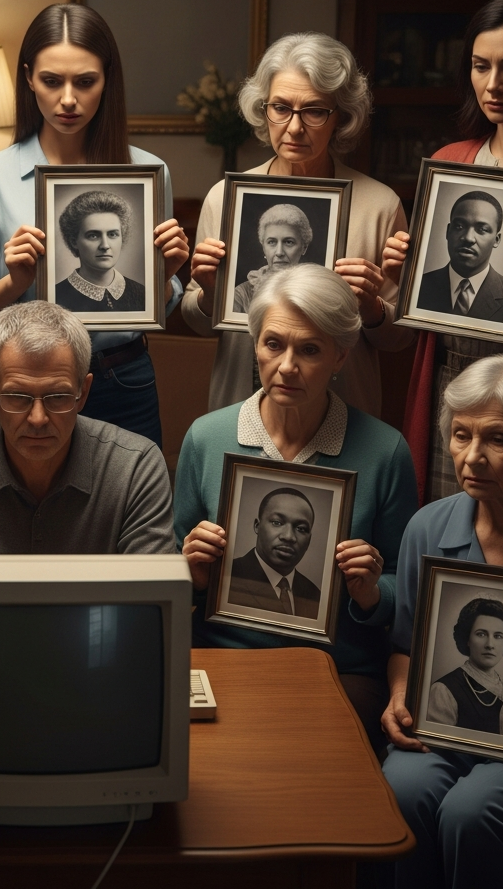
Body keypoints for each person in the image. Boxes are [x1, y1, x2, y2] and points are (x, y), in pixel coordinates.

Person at [175, 265, 417, 758]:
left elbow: (405, 590)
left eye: (309, 350)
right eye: (273, 344)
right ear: (255, 346)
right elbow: (169, 568)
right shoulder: (206, 437)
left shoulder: (385, 450)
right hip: (223, 655)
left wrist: (371, 592)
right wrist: (192, 573)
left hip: (336, 666)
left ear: (340, 356)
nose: (287, 366)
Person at [0, 3, 189, 446]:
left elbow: (157, 304)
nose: (67, 99)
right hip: (27, 384)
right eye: (51, 81)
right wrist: (13, 283)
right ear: (28, 78)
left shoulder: (148, 173)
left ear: (107, 79)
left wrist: (165, 275)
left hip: (123, 377)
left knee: (132, 491)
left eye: (84, 81)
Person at [381, 353, 503, 889]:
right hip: (440, 737)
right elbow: (406, 645)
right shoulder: (427, 527)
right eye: (461, 435)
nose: (472, 456)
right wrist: (400, 694)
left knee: (471, 812)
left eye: (498, 439)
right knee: (402, 789)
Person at [181, 31, 414, 417]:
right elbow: (199, 323)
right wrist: (209, 294)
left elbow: (400, 339)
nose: (293, 127)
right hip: (240, 403)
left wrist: (372, 308)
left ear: (341, 116)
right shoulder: (225, 198)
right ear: (264, 108)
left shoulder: (379, 205)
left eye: (314, 111)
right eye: (281, 107)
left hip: (344, 410)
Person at [385, 0, 503, 502]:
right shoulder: (450, 161)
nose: (493, 84)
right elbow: (416, 313)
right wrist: (404, 273)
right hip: (448, 379)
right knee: (442, 524)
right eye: (481, 66)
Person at [0, 300, 175, 556]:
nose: (38, 419)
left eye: (57, 397)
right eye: (18, 397)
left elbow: (150, 590)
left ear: (83, 392)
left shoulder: (136, 466)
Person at [426, 597, 503, 736]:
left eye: (498, 636)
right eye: (481, 634)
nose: (490, 644)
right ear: (467, 639)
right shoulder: (443, 690)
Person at [416, 191, 503, 320]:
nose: (468, 238)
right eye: (459, 226)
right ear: (448, 231)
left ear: (497, 240)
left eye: (482, 229)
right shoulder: (417, 286)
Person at [228, 487, 320, 617]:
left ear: (309, 539)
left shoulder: (315, 595)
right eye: (277, 523)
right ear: (257, 526)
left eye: (301, 528)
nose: (288, 536)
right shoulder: (227, 575)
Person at [54, 190, 145, 311]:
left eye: (112, 234)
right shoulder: (55, 298)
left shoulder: (141, 293)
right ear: (74, 241)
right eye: (93, 236)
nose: (105, 245)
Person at [232, 202, 313, 313]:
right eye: (271, 242)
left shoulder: (317, 292)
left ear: (304, 248)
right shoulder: (241, 295)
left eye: (289, 242)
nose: (279, 252)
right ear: (263, 247)